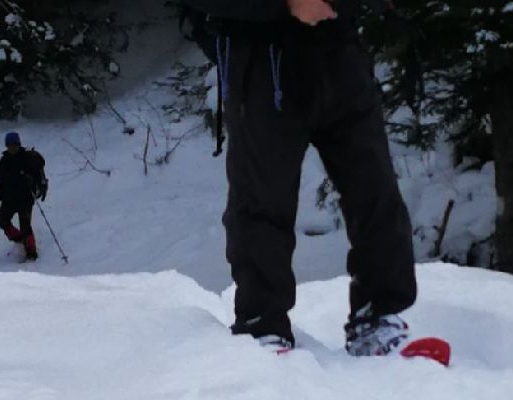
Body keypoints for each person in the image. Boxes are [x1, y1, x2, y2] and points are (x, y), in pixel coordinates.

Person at [179, 0, 419, 355]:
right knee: (261, 202)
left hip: (341, 51)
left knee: (375, 189)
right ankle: (262, 327)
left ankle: (381, 315)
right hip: (261, 62)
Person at [0, 132, 47, 262]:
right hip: (9, 198)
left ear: (18, 144)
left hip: (25, 199)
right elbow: (1, 181)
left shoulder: (27, 158)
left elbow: (38, 176)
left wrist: (38, 186)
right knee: (2, 221)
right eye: (9, 145)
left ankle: (31, 253)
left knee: (25, 225)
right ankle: (20, 239)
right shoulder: (4, 161)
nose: (12, 147)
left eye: (15, 144)